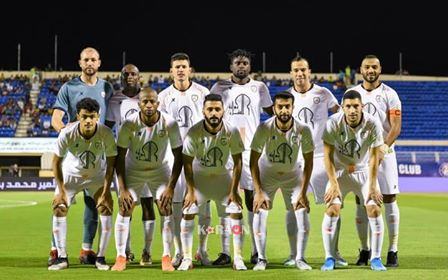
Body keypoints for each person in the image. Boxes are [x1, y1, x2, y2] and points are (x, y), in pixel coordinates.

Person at [49, 47, 114, 266]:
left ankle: (88, 250)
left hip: (98, 154)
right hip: (75, 153)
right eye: (86, 59)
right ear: (80, 63)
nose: (89, 62)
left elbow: (112, 117)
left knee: (94, 205)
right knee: (60, 203)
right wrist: (68, 134)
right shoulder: (69, 87)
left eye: (93, 59)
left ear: (99, 63)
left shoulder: (107, 87)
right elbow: (56, 118)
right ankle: (56, 251)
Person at [210, 49, 273, 265]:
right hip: (225, 151)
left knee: (251, 200)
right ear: (231, 66)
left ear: (250, 66)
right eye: (237, 62)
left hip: (250, 152)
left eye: (245, 62)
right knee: (225, 201)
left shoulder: (260, 87)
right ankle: (226, 252)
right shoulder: (219, 87)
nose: (241, 66)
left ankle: (256, 251)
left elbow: (271, 115)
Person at [111, 87, 183, 272]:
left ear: (158, 104)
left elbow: (179, 156)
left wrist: (170, 187)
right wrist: (123, 188)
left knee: (165, 206)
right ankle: (120, 256)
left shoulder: (169, 123)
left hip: (159, 171)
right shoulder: (129, 124)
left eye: (152, 101)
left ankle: (166, 255)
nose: (149, 105)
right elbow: (119, 157)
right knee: (125, 207)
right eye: (145, 101)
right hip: (133, 170)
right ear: (139, 104)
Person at [285, 56, 346, 267]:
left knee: (333, 203)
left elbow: (341, 115)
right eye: (296, 70)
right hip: (296, 159)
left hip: (321, 157)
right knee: (294, 206)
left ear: (309, 71)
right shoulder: (287, 97)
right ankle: (294, 255)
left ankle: (335, 252)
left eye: (303, 70)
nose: (300, 74)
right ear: (291, 73)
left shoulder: (323, 93)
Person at [178, 94, 246, 271]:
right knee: (188, 210)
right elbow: (186, 163)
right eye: (210, 109)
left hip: (223, 178)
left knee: (235, 210)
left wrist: (234, 190)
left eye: (217, 109)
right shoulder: (194, 132)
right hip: (200, 180)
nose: (214, 113)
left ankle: (238, 257)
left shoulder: (231, 131)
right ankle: (186, 258)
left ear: (223, 110)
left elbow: (238, 162)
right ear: (203, 111)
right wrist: (191, 191)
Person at [320, 90, 387, 271]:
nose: (352, 110)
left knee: (374, 209)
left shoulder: (372, 123)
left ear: (362, 107)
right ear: (342, 108)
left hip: (364, 172)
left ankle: (375, 258)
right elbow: (327, 155)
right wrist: (333, 183)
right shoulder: (333, 122)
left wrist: (373, 185)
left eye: (356, 106)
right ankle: (329, 257)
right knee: (332, 209)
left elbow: (375, 156)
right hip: (340, 173)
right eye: (348, 106)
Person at [250, 91, 314, 271]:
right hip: (267, 176)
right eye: (280, 106)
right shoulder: (264, 128)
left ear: (293, 108)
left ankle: (299, 258)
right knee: (260, 212)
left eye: (288, 106)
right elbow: (252, 161)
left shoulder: (303, 129)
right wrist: (259, 191)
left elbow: (309, 162)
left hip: (293, 177)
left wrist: (303, 191)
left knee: (301, 211)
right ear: (274, 108)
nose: (284, 110)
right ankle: (261, 259)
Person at [158, 53, 211, 267]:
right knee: (178, 207)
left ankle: (203, 250)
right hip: (175, 158)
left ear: (190, 70)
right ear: (171, 71)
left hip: (200, 157)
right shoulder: (163, 97)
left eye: (184, 66)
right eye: (177, 67)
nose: (180, 70)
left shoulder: (203, 93)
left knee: (205, 208)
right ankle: (181, 252)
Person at [351, 55, 402, 267]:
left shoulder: (390, 94)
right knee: (361, 201)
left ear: (380, 69)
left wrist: (382, 148)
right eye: (367, 67)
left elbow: (395, 127)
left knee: (389, 199)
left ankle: (392, 250)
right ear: (360, 69)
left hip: (386, 154)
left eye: (374, 67)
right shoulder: (352, 94)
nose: (370, 70)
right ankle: (364, 249)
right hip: (361, 156)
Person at [105, 64, 156, 266]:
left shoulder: (148, 98)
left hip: (148, 159)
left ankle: (147, 251)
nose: (129, 77)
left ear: (139, 77)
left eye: (133, 74)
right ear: (121, 77)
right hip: (124, 160)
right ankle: (125, 251)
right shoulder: (115, 100)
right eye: (125, 74)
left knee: (147, 205)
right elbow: (108, 128)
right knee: (126, 205)